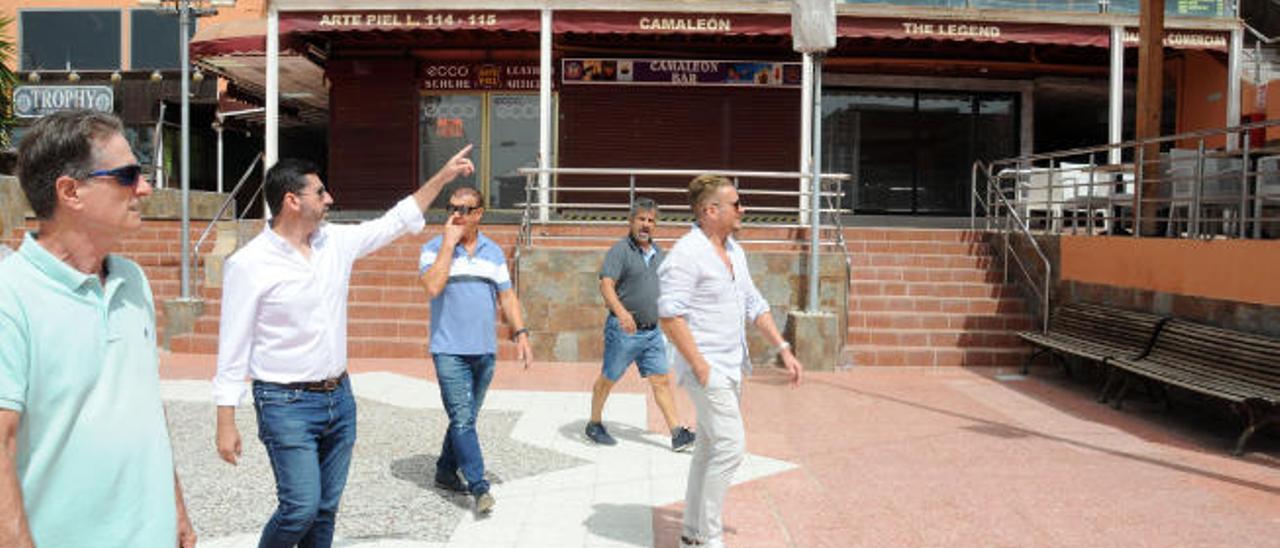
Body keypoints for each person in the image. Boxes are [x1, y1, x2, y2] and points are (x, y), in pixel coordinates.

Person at [213, 147, 474, 547]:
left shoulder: (336, 242)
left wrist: (441, 178)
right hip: (284, 403)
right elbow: (232, 345)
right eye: (320, 192)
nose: (330, 198)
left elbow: (396, 221)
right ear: (292, 200)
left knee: (324, 510)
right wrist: (225, 420)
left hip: (339, 398)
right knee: (299, 506)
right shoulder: (249, 264)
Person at [0, 110, 195, 547]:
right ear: (70, 192)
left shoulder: (133, 280)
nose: (144, 188)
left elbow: (144, 406)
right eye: (127, 175)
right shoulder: (9, 296)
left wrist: (175, 506)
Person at [658, 174, 803, 548]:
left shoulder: (735, 251)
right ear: (711, 210)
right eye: (736, 204)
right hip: (707, 369)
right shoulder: (687, 254)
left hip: (732, 365)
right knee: (731, 447)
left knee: (708, 448)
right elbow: (670, 315)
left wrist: (783, 348)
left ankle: (691, 533)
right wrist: (701, 367)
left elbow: (755, 304)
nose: (743, 209)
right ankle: (708, 537)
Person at [418, 186, 533, 515]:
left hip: (484, 351)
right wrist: (448, 245)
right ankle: (479, 485)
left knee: (463, 417)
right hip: (448, 350)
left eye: (465, 209)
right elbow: (432, 286)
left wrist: (521, 332)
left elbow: (507, 297)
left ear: (480, 213)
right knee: (464, 419)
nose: (457, 214)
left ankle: (444, 470)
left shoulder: (494, 252)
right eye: (452, 207)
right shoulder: (431, 249)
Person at [584, 197, 696, 452]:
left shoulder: (660, 255)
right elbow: (606, 284)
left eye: (651, 220)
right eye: (641, 219)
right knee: (609, 378)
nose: (646, 225)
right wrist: (622, 313)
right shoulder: (620, 250)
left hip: (652, 332)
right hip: (623, 331)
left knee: (661, 380)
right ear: (631, 221)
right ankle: (594, 423)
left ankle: (677, 433)